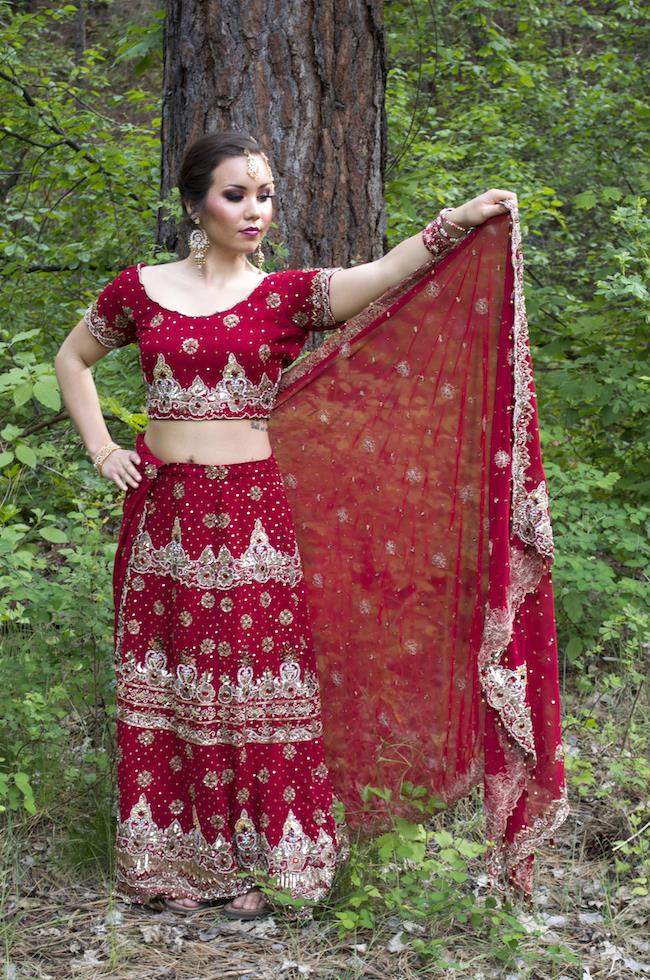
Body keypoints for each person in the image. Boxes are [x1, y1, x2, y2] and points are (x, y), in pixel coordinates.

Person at [54, 131, 565, 920]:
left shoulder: (285, 296)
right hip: (164, 517)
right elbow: (72, 359)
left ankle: (275, 869)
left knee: (260, 690)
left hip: (253, 518)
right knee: (173, 687)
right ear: (195, 204)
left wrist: (455, 222)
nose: (254, 211)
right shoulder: (139, 291)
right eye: (235, 194)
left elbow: (386, 274)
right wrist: (101, 449)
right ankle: (178, 867)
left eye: (263, 195)